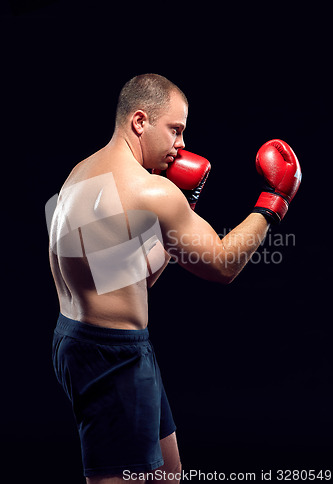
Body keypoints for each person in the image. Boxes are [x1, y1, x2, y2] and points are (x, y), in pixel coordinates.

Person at [48, 74, 301, 483]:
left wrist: (183, 207)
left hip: (76, 339)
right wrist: (275, 201)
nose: (181, 144)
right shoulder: (150, 191)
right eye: (175, 130)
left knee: (168, 472)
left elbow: (128, 277)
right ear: (139, 121)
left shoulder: (81, 174)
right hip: (115, 354)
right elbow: (223, 266)